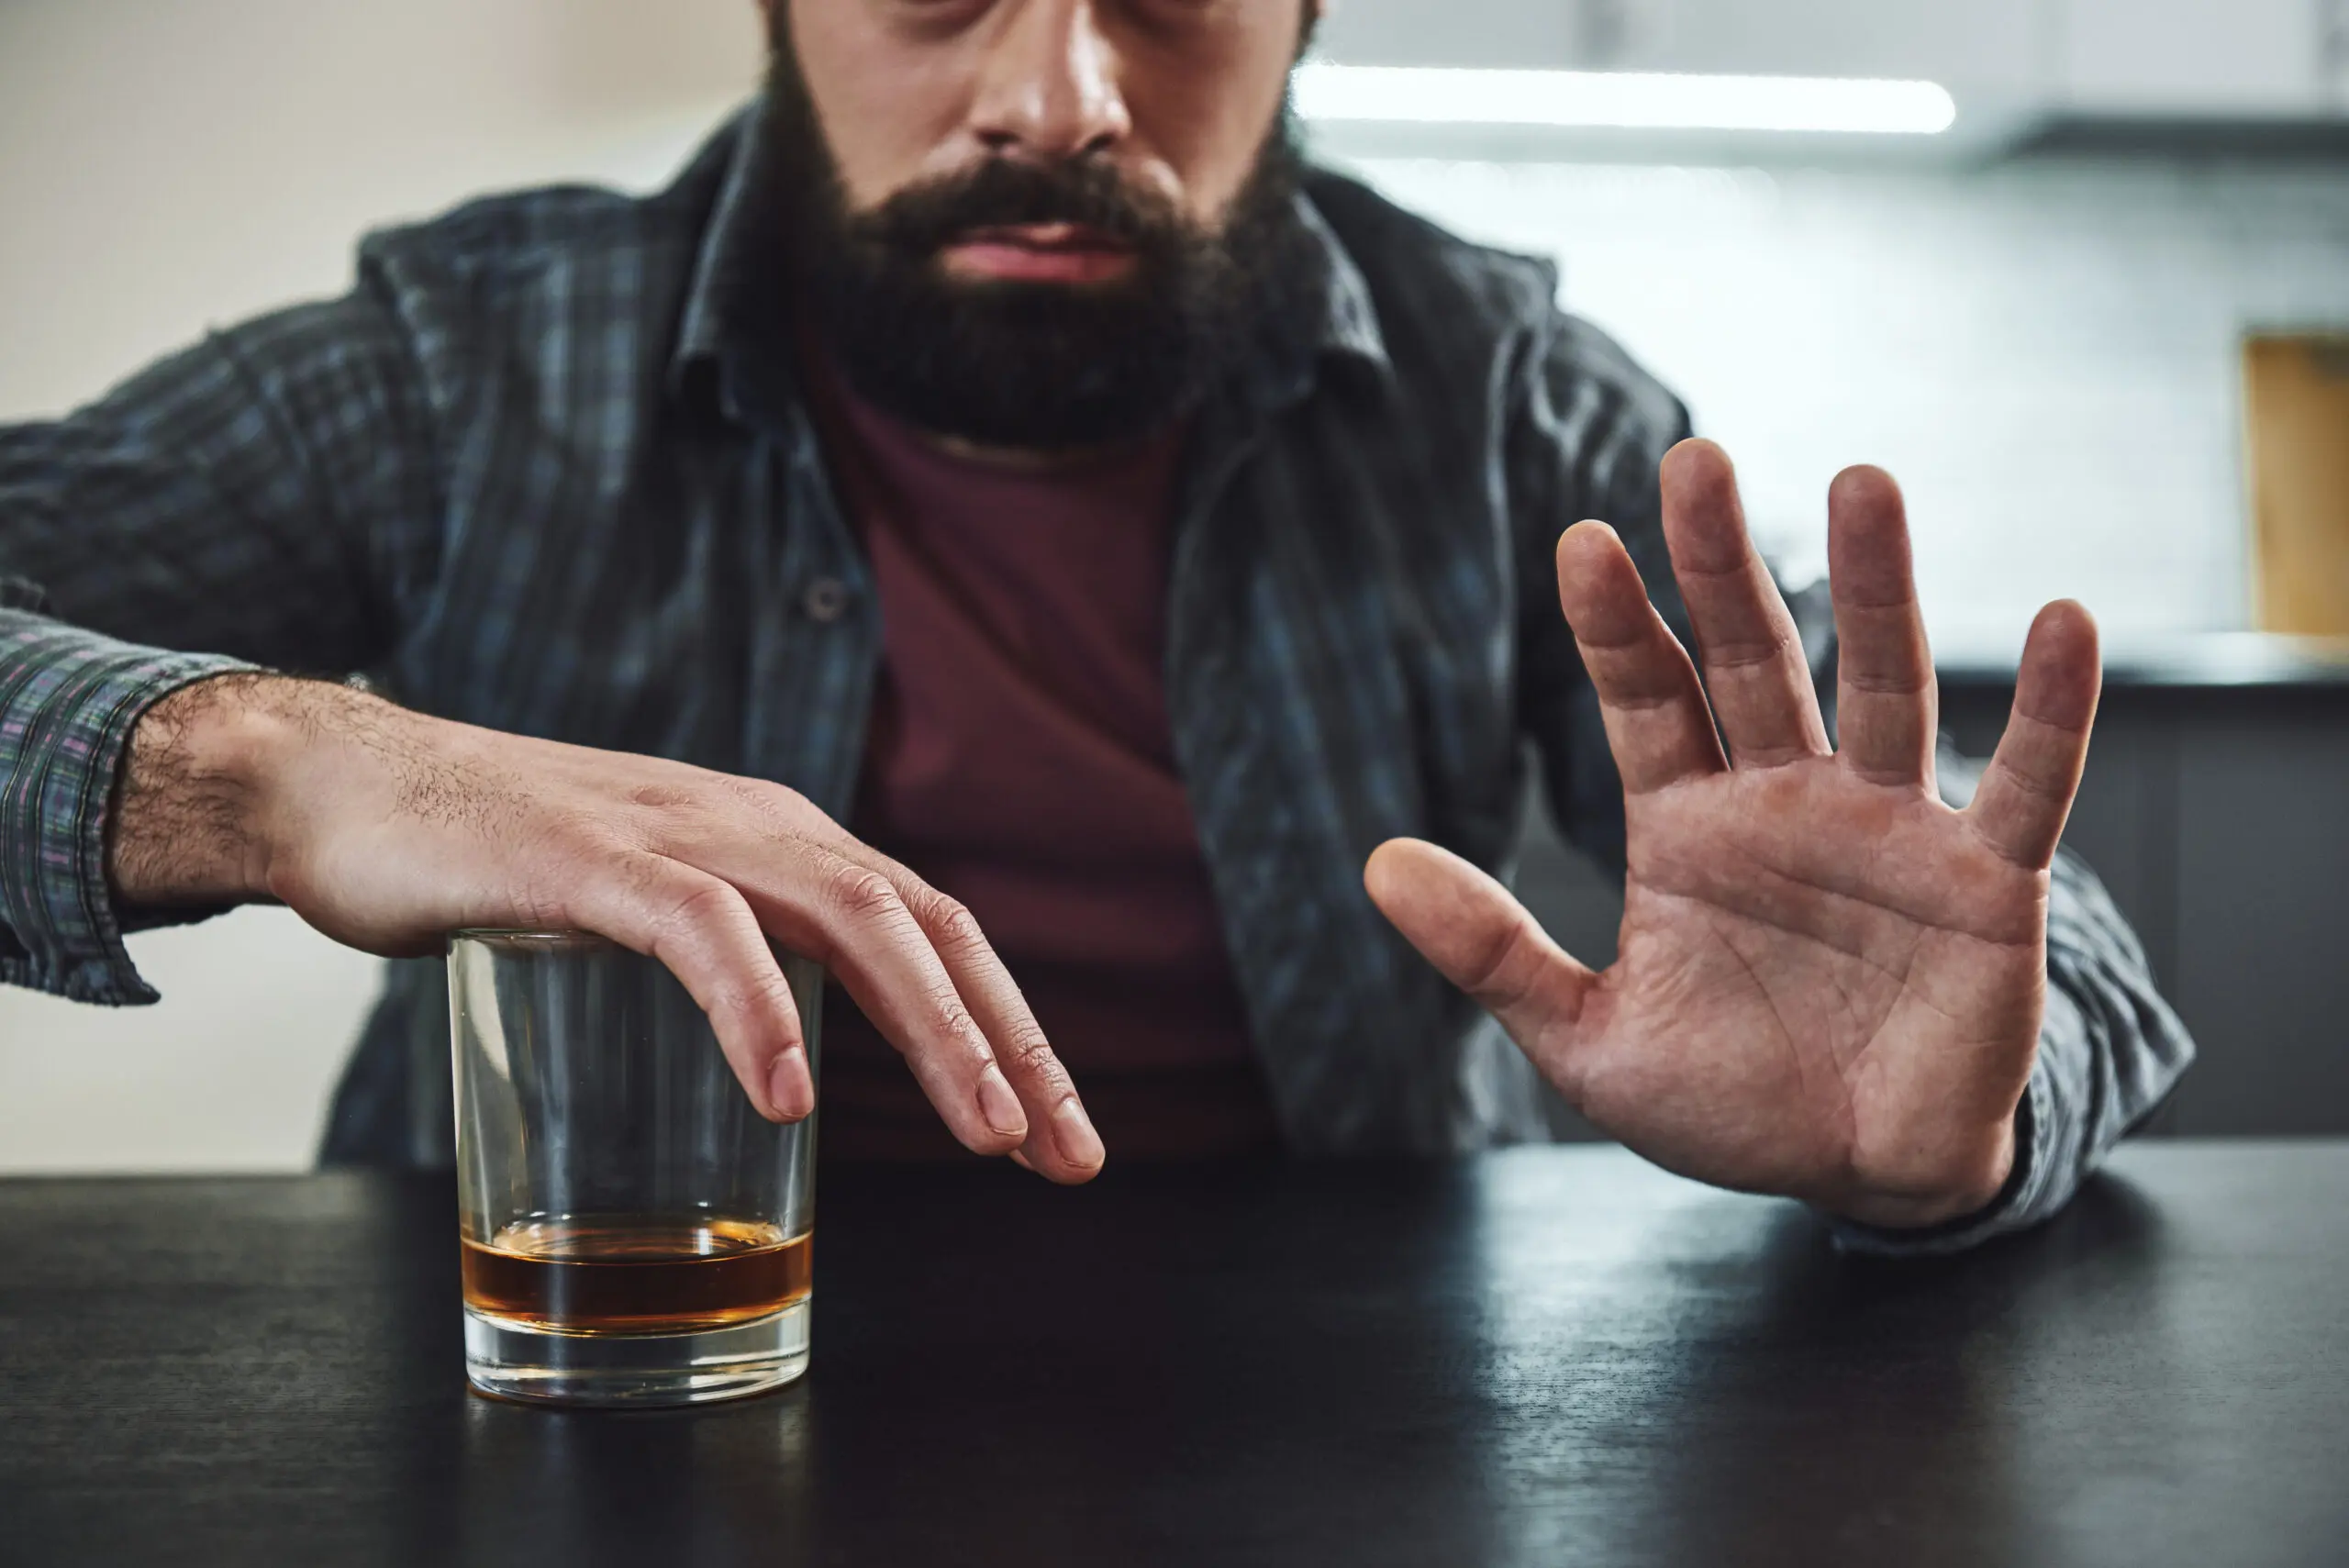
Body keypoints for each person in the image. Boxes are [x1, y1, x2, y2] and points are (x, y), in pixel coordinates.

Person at [0, 0, 2189, 1251]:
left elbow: (1992, 932)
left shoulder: (1516, 404)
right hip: (570, 1401)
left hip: (1352, 1440)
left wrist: (1955, 1134)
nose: (1057, 94)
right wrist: (272, 765)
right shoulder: (461, 361)